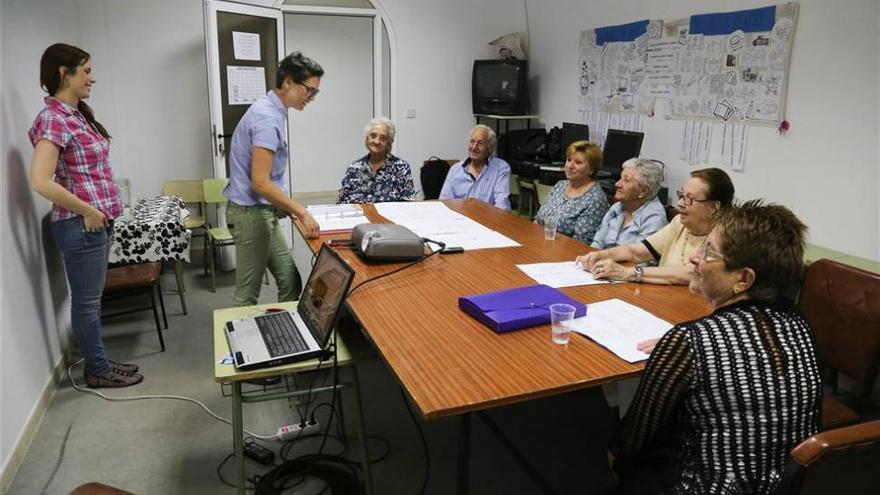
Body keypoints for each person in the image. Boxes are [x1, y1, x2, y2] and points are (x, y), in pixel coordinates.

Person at [609, 200, 822, 495]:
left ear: (743, 279)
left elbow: (633, 440)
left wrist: (680, 349)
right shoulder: (799, 324)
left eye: (709, 251)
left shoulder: (691, 340)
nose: (694, 257)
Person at [29, 43, 142, 387]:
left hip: (95, 223)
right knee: (87, 303)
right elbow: (40, 181)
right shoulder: (52, 119)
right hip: (81, 224)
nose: (92, 77)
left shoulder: (74, 114)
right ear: (65, 73)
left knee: (92, 302)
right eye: (87, 70)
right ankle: (97, 369)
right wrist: (89, 211)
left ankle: (100, 360)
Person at [224, 51, 323, 307]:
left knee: (290, 279)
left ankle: (281, 335)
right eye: (309, 90)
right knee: (247, 294)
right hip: (250, 215)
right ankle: (239, 346)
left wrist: (281, 205)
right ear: (288, 81)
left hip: (261, 211)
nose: (311, 98)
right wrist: (301, 211)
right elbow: (260, 182)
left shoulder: (272, 110)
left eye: (315, 93)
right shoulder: (267, 117)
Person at [576, 168, 734, 285]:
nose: (679, 204)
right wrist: (601, 255)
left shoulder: (723, 234)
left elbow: (690, 273)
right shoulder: (680, 223)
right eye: (681, 196)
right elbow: (636, 252)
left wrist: (627, 273)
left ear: (713, 207)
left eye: (689, 199)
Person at [534, 140, 609, 244]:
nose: (570, 166)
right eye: (569, 160)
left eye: (578, 163)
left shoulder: (595, 199)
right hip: (539, 243)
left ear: (591, 169)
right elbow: (538, 219)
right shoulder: (560, 185)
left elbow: (581, 243)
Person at [591, 158, 667, 249]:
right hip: (602, 260)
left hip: (621, 263)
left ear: (643, 191)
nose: (617, 184)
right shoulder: (617, 207)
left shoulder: (654, 219)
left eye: (626, 180)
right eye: (620, 178)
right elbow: (597, 243)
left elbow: (639, 259)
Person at [337, 117, 414, 203]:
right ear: (367, 139)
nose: (377, 141)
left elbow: (408, 203)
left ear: (389, 142)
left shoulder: (401, 167)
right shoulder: (354, 168)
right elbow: (341, 202)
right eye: (373, 136)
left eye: (383, 138)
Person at [439, 124, 511, 210]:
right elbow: (444, 204)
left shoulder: (501, 168)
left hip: (487, 220)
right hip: (459, 219)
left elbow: (502, 206)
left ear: (490, 148)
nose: (474, 147)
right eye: (472, 141)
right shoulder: (455, 170)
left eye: (480, 143)